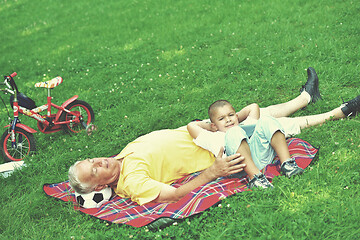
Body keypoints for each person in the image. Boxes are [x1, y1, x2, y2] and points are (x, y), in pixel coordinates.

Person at [68, 67, 360, 205]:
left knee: (259, 111)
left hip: (202, 132)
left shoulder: (121, 155)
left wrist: (198, 125)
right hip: (219, 148)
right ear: (102, 183)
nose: (99, 162)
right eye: (95, 170)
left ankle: (306, 98)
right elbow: (171, 195)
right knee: (270, 124)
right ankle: (340, 112)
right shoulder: (130, 181)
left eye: (91, 159)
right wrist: (212, 172)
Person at [187, 100, 304, 190]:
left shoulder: (245, 124)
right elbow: (191, 126)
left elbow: (253, 107)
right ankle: (256, 179)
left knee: (267, 120)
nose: (228, 120)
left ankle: (288, 164)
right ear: (214, 125)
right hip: (239, 167)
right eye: (222, 118)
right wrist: (214, 127)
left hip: (261, 157)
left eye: (231, 115)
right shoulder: (213, 137)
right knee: (234, 132)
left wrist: (236, 119)